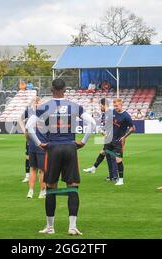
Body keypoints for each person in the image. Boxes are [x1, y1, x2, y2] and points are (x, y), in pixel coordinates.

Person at [26, 79, 96, 236]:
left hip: (53, 148)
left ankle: (50, 227)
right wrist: (83, 142)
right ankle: (72, 227)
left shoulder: (44, 106)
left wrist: (38, 143)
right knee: (73, 186)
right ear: (65, 89)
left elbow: (29, 127)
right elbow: (92, 123)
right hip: (70, 147)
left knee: (50, 187)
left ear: (52, 89)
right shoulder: (75, 106)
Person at [83, 98, 118, 182]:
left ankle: (114, 176)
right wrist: (102, 130)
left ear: (104, 105)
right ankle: (111, 176)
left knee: (111, 156)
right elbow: (105, 125)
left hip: (112, 138)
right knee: (107, 155)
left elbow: (115, 125)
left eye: (100, 105)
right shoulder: (104, 114)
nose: (100, 107)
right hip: (107, 138)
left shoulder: (111, 113)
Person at [103, 98, 135, 186]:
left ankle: (120, 180)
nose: (115, 107)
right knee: (104, 153)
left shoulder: (126, 116)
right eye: (114, 106)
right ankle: (110, 175)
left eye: (117, 106)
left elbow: (133, 128)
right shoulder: (113, 112)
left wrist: (125, 137)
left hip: (118, 141)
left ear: (121, 105)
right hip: (110, 139)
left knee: (118, 159)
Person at [20, 97, 47, 199]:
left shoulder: (32, 116)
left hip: (32, 145)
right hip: (42, 145)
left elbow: (27, 130)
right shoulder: (46, 117)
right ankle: (42, 191)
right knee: (42, 170)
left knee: (33, 169)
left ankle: (30, 192)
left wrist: (28, 141)